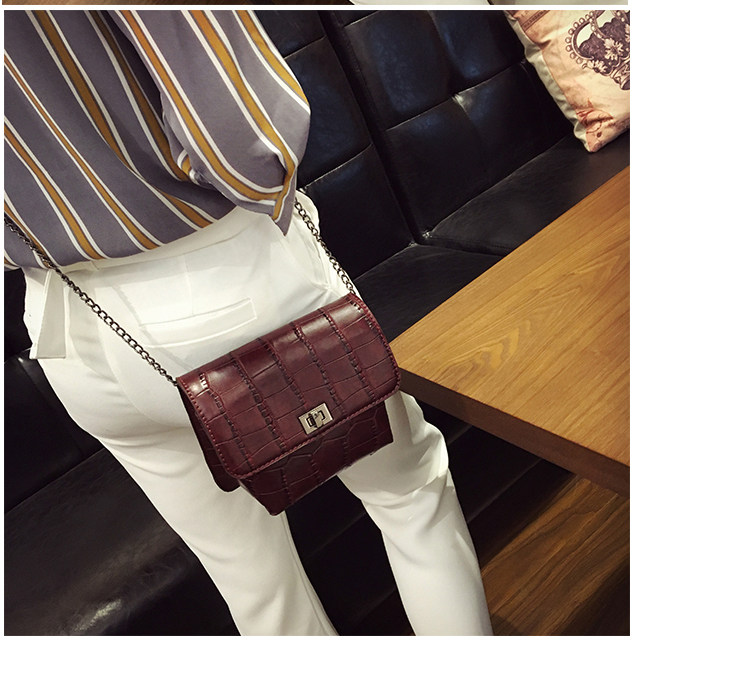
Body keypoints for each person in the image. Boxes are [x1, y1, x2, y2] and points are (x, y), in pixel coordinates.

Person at [4, 9, 493, 636]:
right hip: (224, 277)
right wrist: (275, 198)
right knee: (409, 496)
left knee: (256, 588)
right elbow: (241, 134)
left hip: (67, 325)